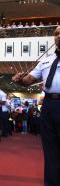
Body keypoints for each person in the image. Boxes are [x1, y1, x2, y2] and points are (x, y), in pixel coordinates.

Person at [12, 26, 60, 186]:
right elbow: (28, 80)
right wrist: (20, 80)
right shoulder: (46, 60)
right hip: (48, 105)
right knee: (50, 148)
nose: (58, 36)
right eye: (56, 34)